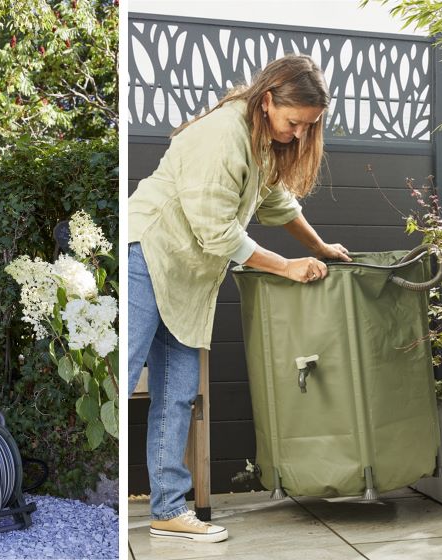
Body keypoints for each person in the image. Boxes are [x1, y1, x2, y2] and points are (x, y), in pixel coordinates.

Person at [127, 54, 351, 543]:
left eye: (307, 127)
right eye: (294, 122)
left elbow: (277, 204)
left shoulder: (261, 142)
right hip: (148, 256)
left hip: (188, 278)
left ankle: (167, 511)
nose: (296, 134)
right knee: (120, 378)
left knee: (177, 394)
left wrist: (317, 247)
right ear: (268, 99)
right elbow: (216, 231)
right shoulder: (223, 135)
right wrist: (286, 266)